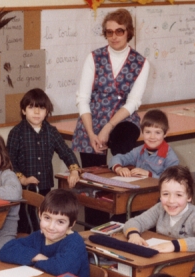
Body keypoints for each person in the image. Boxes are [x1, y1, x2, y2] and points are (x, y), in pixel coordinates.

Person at [72, 8, 149, 170]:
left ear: (128, 32)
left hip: (123, 120)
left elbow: (133, 102)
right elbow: (83, 99)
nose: (114, 37)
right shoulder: (94, 58)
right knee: (93, 175)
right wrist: (92, 133)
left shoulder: (141, 63)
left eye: (119, 31)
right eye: (109, 32)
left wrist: (108, 127)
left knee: (121, 156)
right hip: (93, 118)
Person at [7, 88, 80, 234]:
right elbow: (9, 162)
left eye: (41, 108)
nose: (36, 112)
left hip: (45, 187)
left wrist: (74, 170)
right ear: (23, 110)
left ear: (47, 111)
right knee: (27, 224)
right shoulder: (17, 132)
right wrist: (23, 179)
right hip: (23, 189)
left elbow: (66, 152)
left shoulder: (51, 132)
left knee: (45, 221)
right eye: (31, 107)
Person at [108, 109, 179, 179]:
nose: (152, 137)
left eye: (157, 133)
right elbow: (116, 158)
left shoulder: (170, 158)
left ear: (165, 133)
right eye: (148, 132)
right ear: (142, 132)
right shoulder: (138, 151)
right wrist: (119, 168)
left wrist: (149, 174)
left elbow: (171, 179)